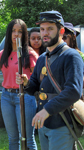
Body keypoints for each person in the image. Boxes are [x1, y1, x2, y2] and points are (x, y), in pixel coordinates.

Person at [16, 10, 83, 150]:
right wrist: (26, 82)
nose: (45, 33)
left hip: (62, 123)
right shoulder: (42, 58)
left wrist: (46, 110)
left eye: (50, 29)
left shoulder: (71, 56)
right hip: (44, 123)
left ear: (61, 31)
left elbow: (73, 91)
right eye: (42, 29)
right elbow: (35, 85)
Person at [0, 19, 38, 150]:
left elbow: (38, 81)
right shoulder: (3, 54)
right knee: (12, 138)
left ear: (24, 34)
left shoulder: (30, 54)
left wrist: (26, 81)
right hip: (6, 96)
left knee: (27, 138)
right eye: (13, 31)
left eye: (20, 31)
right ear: (9, 33)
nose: (16, 34)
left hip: (25, 97)